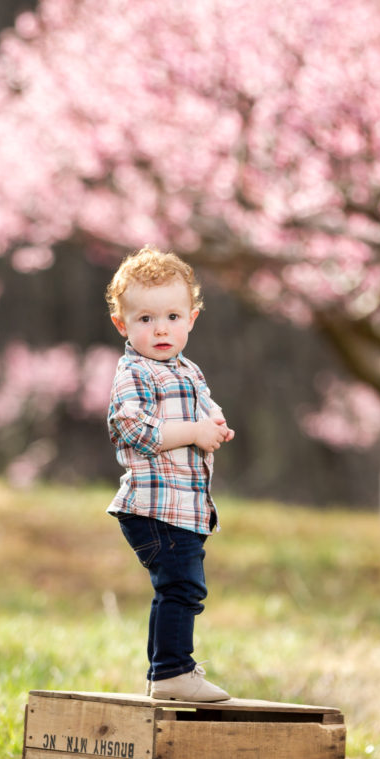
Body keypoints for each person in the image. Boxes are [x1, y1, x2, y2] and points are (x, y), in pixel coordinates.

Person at [105, 246, 235, 702]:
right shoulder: (134, 372)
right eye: (145, 319)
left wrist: (214, 423)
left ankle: (169, 670)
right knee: (180, 585)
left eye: (173, 317)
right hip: (153, 507)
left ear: (192, 319)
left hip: (186, 506)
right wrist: (194, 432)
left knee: (183, 586)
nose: (161, 328)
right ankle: (171, 672)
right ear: (123, 325)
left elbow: (205, 408)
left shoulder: (188, 370)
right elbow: (132, 428)